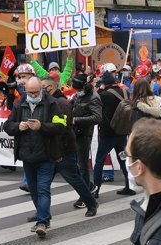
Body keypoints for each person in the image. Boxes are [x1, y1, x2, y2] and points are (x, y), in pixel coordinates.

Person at [3, 77, 67, 236]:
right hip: (27, 156)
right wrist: (18, 126)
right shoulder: (19, 105)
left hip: (46, 155)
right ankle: (43, 216)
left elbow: (61, 126)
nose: (32, 95)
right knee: (33, 190)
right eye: (30, 92)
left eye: (36, 92)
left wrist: (42, 126)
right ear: (25, 91)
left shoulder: (52, 104)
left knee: (43, 189)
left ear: (42, 90)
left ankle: (42, 222)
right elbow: (7, 126)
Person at [42, 76, 99, 217]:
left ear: (51, 87)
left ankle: (91, 203)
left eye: (43, 87)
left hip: (64, 150)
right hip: (50, 150)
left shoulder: (61, 103)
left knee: (74, 179)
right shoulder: (46, 102)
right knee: (43, 184)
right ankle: (41, 213)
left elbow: (64, 127)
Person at [92, 71, 137, 198]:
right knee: (123, 158)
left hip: (108, 133)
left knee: (99, 160)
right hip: (122, 132)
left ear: (104, 84)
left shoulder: (104, 95)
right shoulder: (125, 92)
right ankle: (129, 186)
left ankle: (96, 190)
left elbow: (95, 101)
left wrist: (100, 89)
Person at [71, 73, 102, 206]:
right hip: (75, 132)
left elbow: (97, 117)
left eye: (79, 90)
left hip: (84, 133)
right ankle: (88, 186)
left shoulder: (94, 97)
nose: (77, 92)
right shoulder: (79, 95)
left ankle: (85, 196)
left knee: (82, 166)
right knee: (76, 165)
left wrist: (76, 120)